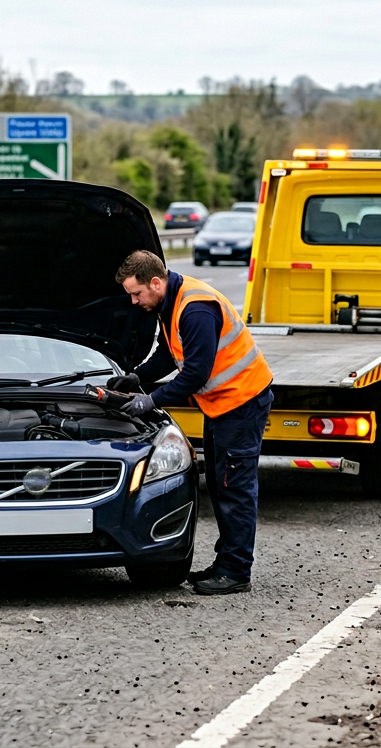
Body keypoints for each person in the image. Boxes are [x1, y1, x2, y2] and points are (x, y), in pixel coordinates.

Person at [113, 250, 274, 595]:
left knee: (235, 489)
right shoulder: (168, 303)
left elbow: (195, 373)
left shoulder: (196, 308)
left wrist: (150, 400)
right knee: (219, 484)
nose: (133, 300)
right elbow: (169, 355)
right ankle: (226, 562)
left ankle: (236, 572)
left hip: (242, 403)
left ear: (155, 282)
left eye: (137, 293)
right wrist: (135, 378)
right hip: (221, 405)